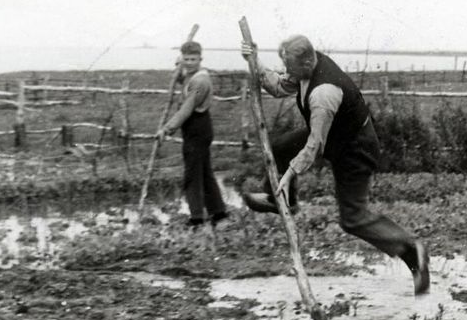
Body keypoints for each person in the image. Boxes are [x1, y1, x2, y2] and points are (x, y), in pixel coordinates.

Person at [241, 35, 430, 294]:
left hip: (355, 149)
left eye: (291, 68)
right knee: (280, 148)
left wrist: (289, 174)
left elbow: (315, 145)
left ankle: (410, 248)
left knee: (353, 218)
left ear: (308, 61)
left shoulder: (323, 93)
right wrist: (255, 60)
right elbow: (279, 86)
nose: (288, 73)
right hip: (336, 138)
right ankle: (284, 201)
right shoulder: (305, 65)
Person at [158, 41, 228, 227]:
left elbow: (186, 109)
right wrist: (178, 71)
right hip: (197, 128)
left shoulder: (200, 81)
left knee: (192, 175)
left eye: (193, 59)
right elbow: (184, 79)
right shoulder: (193, 75)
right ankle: (219, 213)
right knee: (204, 173)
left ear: (200, 59)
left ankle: (196, 218)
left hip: (197, 128)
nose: (189, 62)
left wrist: (167, 128)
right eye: (186, 59)